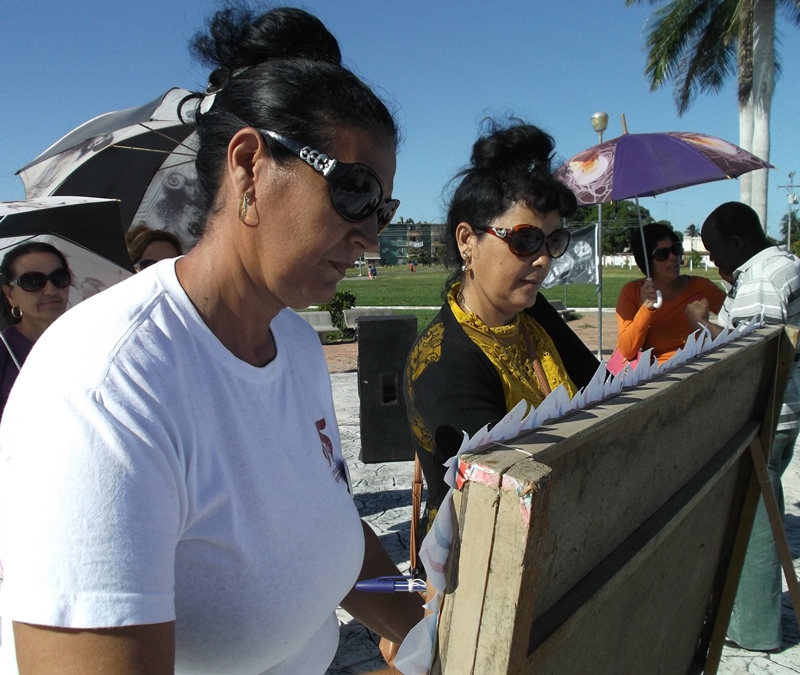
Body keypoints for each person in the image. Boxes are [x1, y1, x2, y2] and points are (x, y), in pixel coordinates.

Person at [0, 7, 420, 674]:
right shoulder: (107, 387)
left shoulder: (298, 349)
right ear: (250, 165)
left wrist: (431, 604)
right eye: (355, 191)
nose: (371, 235)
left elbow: (334, 545)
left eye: (383, 208)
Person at [404, 121, 600, 533]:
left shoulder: (534, 313)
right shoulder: (445, 363)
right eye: (526, 240)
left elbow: (603, 388)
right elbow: (508, 492)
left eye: (553, 242)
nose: (544, 259)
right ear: (467, 242)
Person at [686, 201, 800, 651]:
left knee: (753, 514)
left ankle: (754, 629)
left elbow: (755, 354)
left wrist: (704, 323)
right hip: (784, 410)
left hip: (765, 410)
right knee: (761, 503)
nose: (713, 263)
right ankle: (752, 614)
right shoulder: (783, 264)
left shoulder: (760, 279)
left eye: (715, 253)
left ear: (738, 242)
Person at [614, 223, 726, 368]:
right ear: (646, 260)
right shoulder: (632, 292)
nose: (673, 257)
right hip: (659, 374)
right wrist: (646, 308)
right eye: (662, 254)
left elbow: (737, 322)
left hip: (701, 365)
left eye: (676, 249)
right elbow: (627, 350)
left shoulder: (702, 287)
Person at [0, 242, 71, 416]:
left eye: (59, 277)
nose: (50, 290)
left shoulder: (95, 340)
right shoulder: (4, 348)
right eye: (33, 282)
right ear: (10, 294)